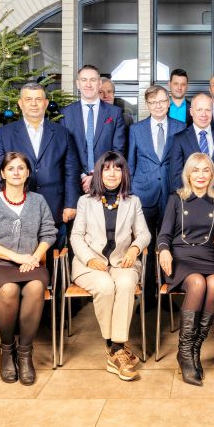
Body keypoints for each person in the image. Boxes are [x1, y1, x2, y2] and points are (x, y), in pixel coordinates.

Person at [0, 152, 57, 386]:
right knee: (8, 290)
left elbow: (49, 233)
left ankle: (25, 353)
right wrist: (16, 257)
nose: (16, 172)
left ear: (28, 173)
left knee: (36, 287)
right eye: (11, 168)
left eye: (21, 168)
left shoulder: (38, 201)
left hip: (32, 262)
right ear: (2, 173)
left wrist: (35, 258)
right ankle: (7, 351)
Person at [157, 153, 214, 386]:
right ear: (188, 174)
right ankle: (185, 352)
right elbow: (164, 234)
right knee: (197, 282)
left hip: (206, 256)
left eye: (206, 170)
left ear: (212, 174)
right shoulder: (177, 199)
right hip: (180, 257)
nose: (201, 175)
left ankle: (195, 349)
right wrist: (163, 249)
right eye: (196, 170)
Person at [70, 152, 151, 381]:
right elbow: (76, 236)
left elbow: (144, 233)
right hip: (90, 262)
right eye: (107, 169)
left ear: (124, 173)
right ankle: (116, 347)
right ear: (99, 173)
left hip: (121, 260)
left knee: (125, 283)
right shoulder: (85, 201)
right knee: (105, 286)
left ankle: (116, 349)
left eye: (117, 169)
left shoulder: (132, 201)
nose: (112, 173)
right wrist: (88, 258)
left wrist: (135, 249)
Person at [0, 83, 80, 247]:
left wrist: (71, 204)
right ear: (20, 103)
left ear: (45, 103)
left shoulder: (62, 133)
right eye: (28, 99)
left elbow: (71, 171)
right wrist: (0, 205)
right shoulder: (4, 133)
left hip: (55, 208)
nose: (34, 104)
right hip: (15, 208)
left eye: (38, 99)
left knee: (53, 262)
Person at [128, 85, 185, 306]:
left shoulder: (180, 127)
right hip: (144, 194)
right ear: (147, 105)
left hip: (173, 193)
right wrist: (130, 194)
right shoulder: (136, 129)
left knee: (172, 244)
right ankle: (149, 297)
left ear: (168, 101)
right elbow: (130, 164)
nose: (158, 106)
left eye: (162, 101)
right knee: (147, 246)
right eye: (153, 103)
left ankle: (171, 294)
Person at [60, 64, 126, 194]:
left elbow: (118, 151)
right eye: (84, 80)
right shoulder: (66, 114)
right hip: (75, 185)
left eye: (93, 80)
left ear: (100, 83)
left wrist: (96, 176)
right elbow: (65, 152)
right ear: (78, 84)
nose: (88, 84)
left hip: (107, 183)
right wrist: (83, 177)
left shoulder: (115, 113)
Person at [170, 93, 214, 208]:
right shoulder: (179, 139)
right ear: (191, 112)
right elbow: (176, 175)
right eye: (199, 109)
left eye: (208, 110)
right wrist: (180, 202)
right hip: (188, 201)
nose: (204, 114)